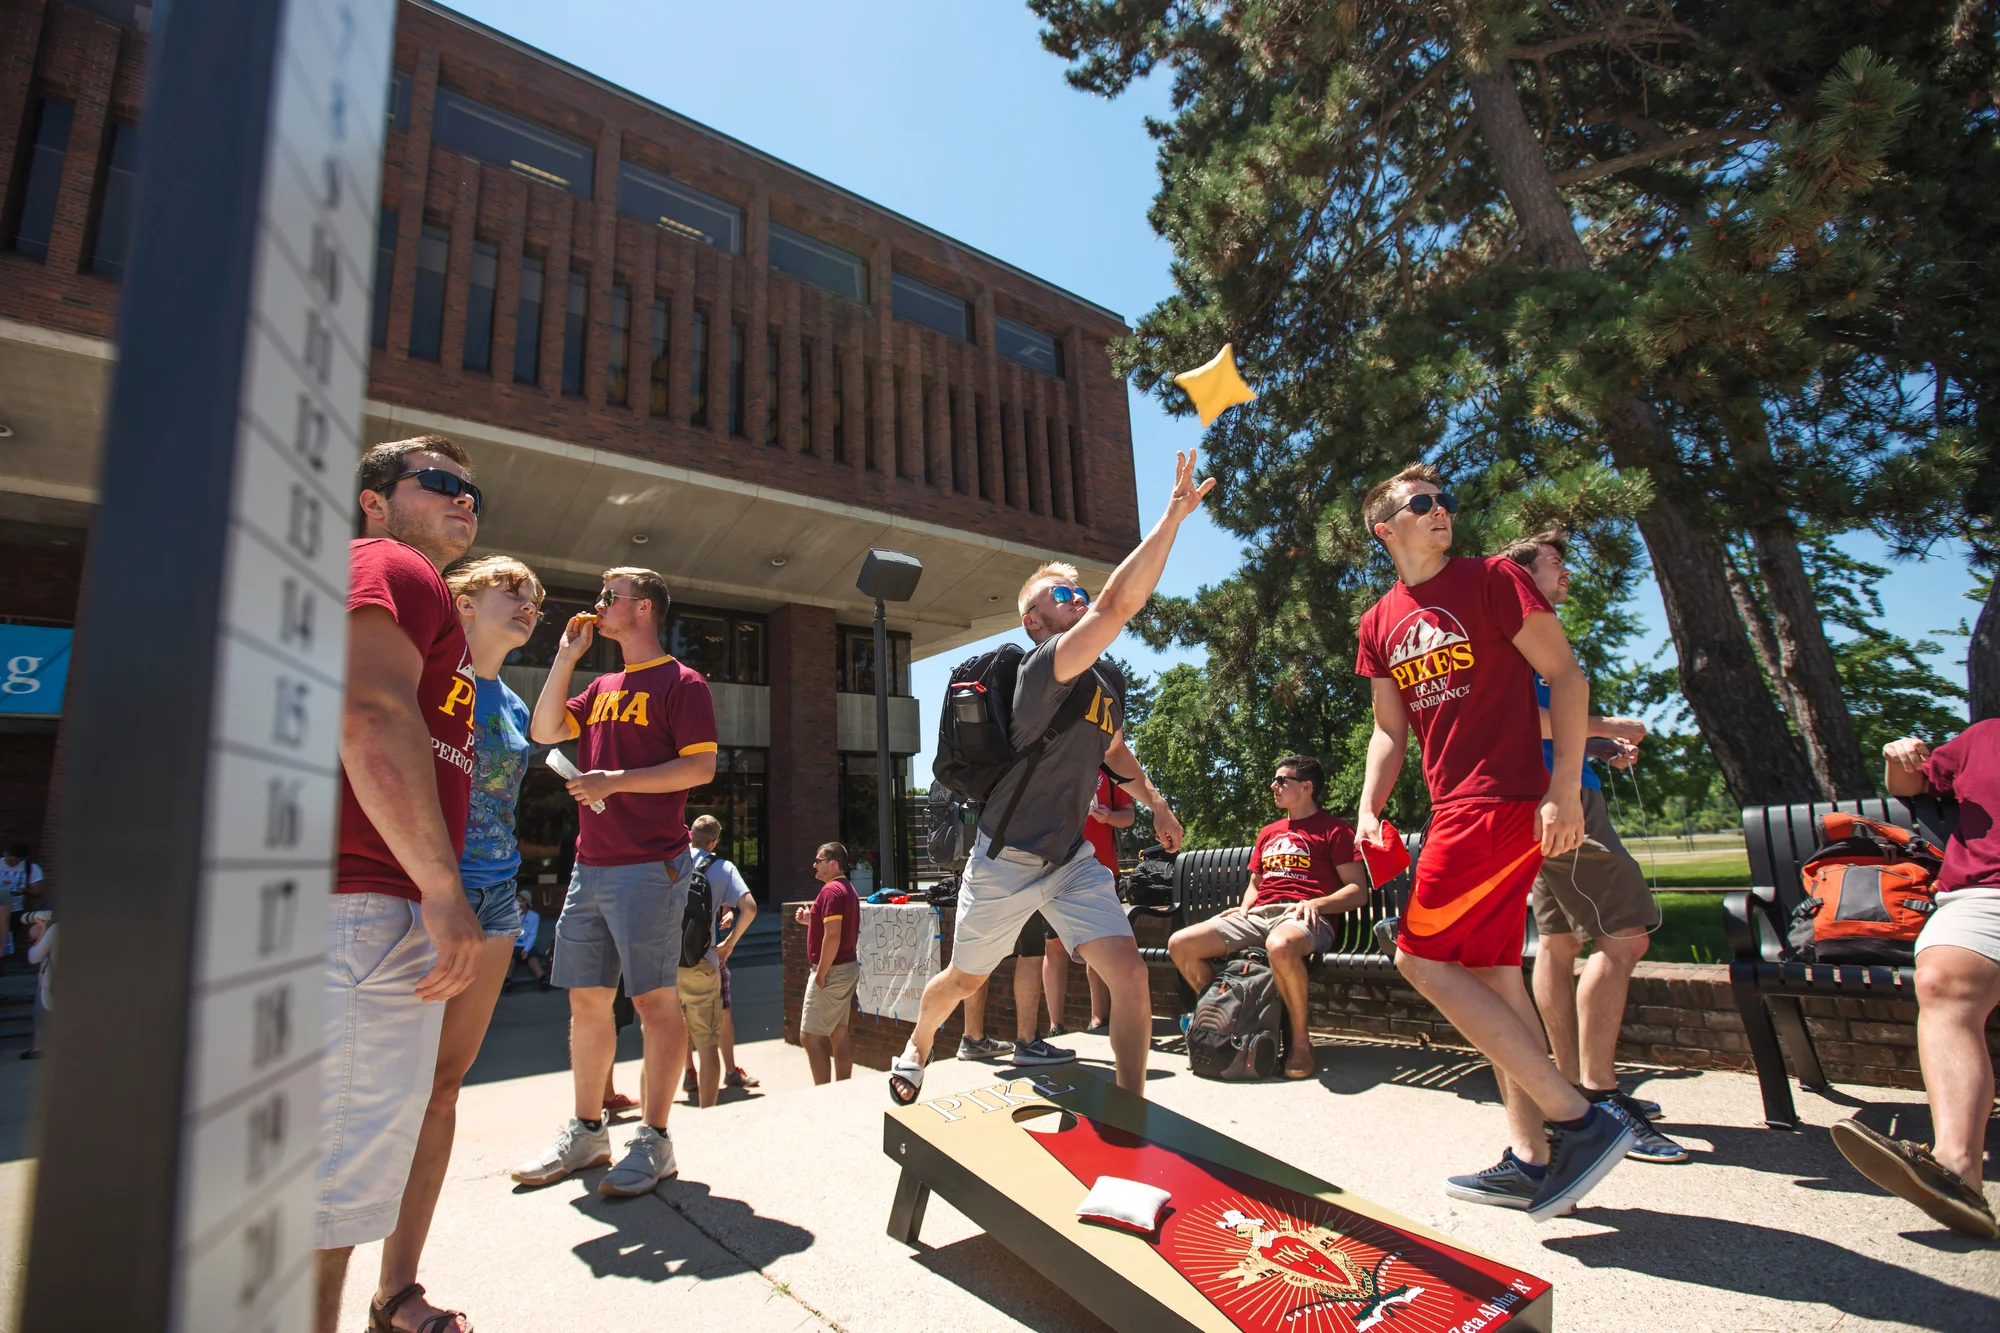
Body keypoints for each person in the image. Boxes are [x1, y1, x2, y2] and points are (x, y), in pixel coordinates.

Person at [1353, 463, 1639, 1222]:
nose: (1441, 510)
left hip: (1501, 800)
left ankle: (1580, 1122)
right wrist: (1367, 805)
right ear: (1387, 529)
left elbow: (1567, 678)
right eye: (1421, 503)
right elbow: (1390, 729)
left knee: (1416, 955)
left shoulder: (1494, 578)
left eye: (1443, 500)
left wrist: (1565, 788)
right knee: (1491, 974)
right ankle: (1531, 1157)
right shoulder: (1380, 621)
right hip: (1455, 802)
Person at [890, 449, 1209, 1104]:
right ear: (1034, 622)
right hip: (1005, 860)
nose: (1078, 599)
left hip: (1069, 858)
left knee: (1128, 972)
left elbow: (1114, 748)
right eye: (1062, 596)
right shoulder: (1041, 671)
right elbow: (1120, 603)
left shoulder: (1109, 679)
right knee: (964, 981)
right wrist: (1172, 517)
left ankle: (1130, 1114)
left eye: (1078, 591)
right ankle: (917, 1044)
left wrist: (1155, 802)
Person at [316, 436, 486, 1333]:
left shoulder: (423, 594)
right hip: (360, 906)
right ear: (375, 499)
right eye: (444, 483)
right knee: (321, 1205)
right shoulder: (390, 564)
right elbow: (369, 712)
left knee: (332, 1197)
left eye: (474, 493)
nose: (466, 499)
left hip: (370, 911)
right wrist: (440, 885)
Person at [371, 554, 546, 1327]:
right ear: (463, 601)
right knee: (377, 1095)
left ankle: (396, 1290)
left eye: (534, 597)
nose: (528, 603)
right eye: (512, 589)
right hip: (415, 891)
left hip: (496, 898)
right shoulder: (426, 672)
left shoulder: (507, 699)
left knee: (442, 1090)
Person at [514, 567, 718, 1197]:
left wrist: (613, 781)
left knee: (655, 1004)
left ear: (646, 610)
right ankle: (587, 1131)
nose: (599, 607)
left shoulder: (684, 682)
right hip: (590, 865)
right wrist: (565, 657)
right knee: (585, 1000)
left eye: (612, 599)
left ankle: (655, 1141)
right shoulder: (600, 684)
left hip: (650, 866)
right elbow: (544, 731)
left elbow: (700, 767)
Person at [1499, 531, 1687, 1165]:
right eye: (1555, 562)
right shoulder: (1524, 631)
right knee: (1626, 935)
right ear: (1524, 573)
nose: (1567, 572)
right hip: (1561, 802)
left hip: (1547, 795)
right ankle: (1602, 1097)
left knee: (1557, 942)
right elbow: (1525, 721)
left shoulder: (1523, 630)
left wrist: (1596, 747)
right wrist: (1608, 727)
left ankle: (1575, 1088)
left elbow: (1543, 728)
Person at [1830, 724, 2000, 1239]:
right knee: (1944, 981)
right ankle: (1955, 1172)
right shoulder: (1984, 737)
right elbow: (1910, 785)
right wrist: (1898, 757)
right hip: (1985, 895)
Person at [1167, 755, 1368, 1078]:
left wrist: (1317, 904)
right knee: (1182, 943)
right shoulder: (1269, 832)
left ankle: (1301, 1043)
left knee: (1280, 945)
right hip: (1258, 914)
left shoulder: (1335, 830)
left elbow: (1358, 891)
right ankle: (1233, 1015)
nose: (1273, 786)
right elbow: (1256, 883)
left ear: (1306, 787)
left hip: (1303, 916)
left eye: (1281, 781)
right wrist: (1245, 907)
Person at [679, 814, 756, 1105]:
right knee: (709, 1040)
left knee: (671, 1025)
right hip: (702, 960)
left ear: (691, 837)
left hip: (664, 960)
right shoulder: (722, 867)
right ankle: (711, 1111)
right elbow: (749, 908)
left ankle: (687, 1074)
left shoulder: (671, 859)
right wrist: (729, 944)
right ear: (714, 842)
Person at [1070, 770, 1136, 1033]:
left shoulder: (1111, 768)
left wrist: (1109, 816)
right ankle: (1097, 1017)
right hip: (1067, 868)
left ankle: (1120, 1015)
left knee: (1113, 943)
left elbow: (1128, 815)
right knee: (1088, 948)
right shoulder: (1065, 760)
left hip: (1105, 869)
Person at [796, 842, 860, 1083]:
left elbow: (833, 936)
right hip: (846, 967)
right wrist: (809, 921)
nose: (815, 865)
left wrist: (821, 973)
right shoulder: (847, 889)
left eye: (819, 861)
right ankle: (843, 1088)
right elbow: (835, 929)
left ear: (833, 863)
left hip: (832, 971)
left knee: (810, 1037)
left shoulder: (831, 891)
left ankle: (824, 1094)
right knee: (838, 1031)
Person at [2, 843, 43, 969]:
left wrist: (23, 891)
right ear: (5, 854)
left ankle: (1, 964)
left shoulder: (30, 868)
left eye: (17, 861)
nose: (13, 863)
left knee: (7, 938)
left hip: (15, 909)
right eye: (11, 860)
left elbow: (37, 891)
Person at [21, 913, 52, 1059]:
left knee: (41, 1013)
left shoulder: (54, 930)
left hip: (51, 981)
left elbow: (33, 956)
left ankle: (39, 1048)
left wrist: (42, 927)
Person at [513, 888, 548, 987]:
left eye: (519, 900)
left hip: (526, 944)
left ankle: (543, 980)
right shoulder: (512, 915)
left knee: (533, 960)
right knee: (510, 961)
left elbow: (533, 934)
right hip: (514, 944)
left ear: (525, 902)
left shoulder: (534, 916)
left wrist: (526, 949)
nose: (516, 902)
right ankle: (506, 981)